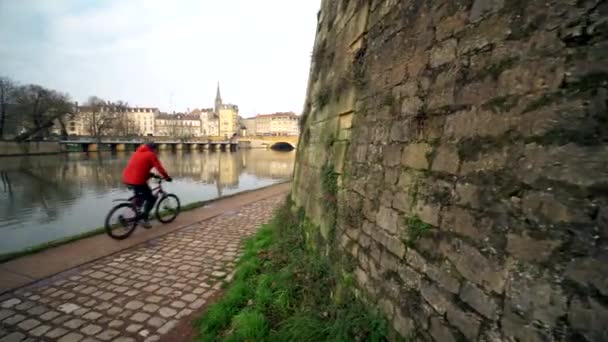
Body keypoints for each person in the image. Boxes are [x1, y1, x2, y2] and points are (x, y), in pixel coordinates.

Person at [122, 142, 172, 227]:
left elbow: (139, 167)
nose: (157, 151)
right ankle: (144, 219)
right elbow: (159, 168)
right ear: (154, 149)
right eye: (157, 149)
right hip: (138, 181)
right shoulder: (151, 155)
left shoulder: (137, 153)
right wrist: (167, 177)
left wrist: (150, 174)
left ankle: (134, 214)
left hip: (127, 178)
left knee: (140, 197)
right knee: (151, 199)